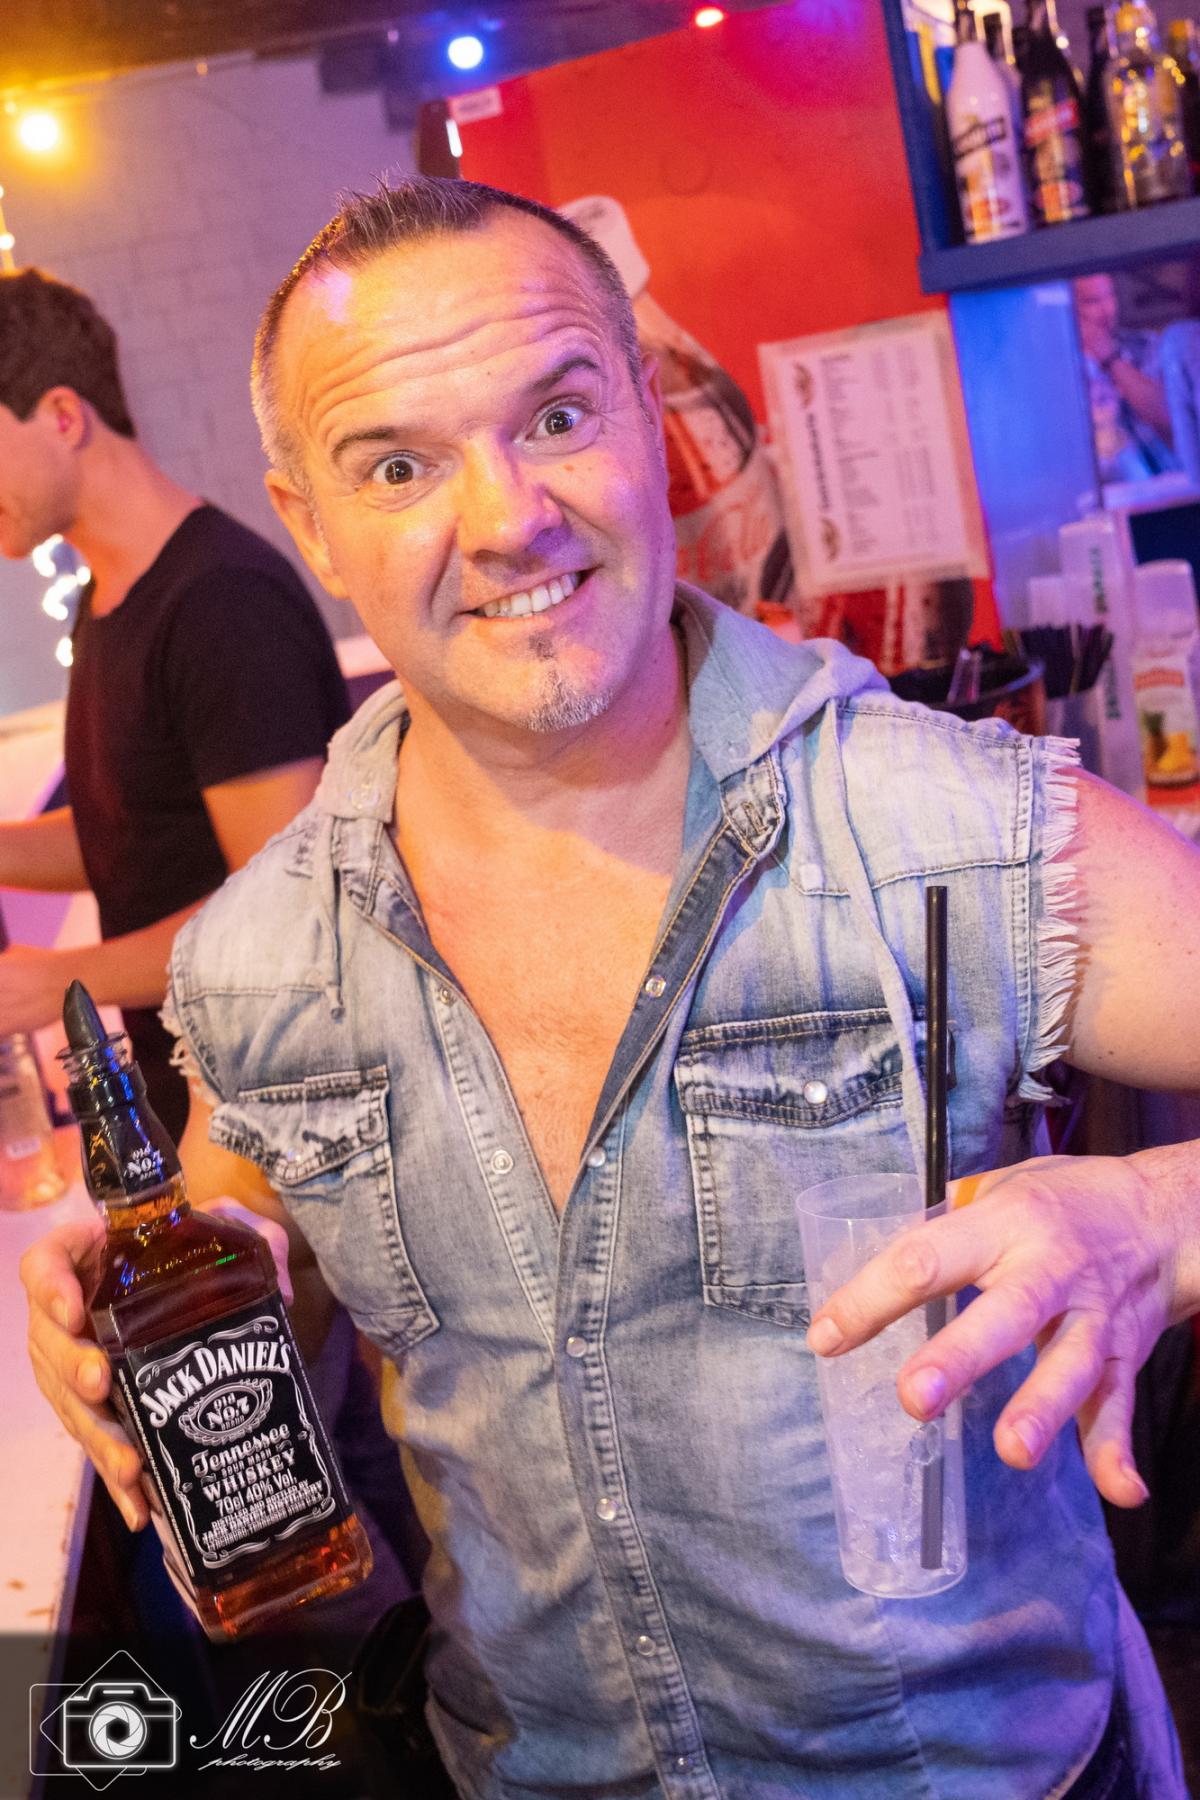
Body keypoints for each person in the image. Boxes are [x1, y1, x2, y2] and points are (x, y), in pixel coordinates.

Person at [22, 177, 1200, 1798]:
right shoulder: (265, 954)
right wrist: (122, 1315)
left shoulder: (935, 824)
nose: (508, 517)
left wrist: (1158, 1216)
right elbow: (250, 1264)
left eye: (558, 416)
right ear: (310, 524)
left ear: (647, 421)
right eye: (398, 466)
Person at [0, 268, 350, 1137]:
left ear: (64, 416)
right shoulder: (108, 599)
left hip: (283, 1119)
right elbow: (134, 834)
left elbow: (288, 912)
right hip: (191, 1103)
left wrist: (58, 981)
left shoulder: (220, 602)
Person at [1074, 271, 1179, 486]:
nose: (1107, 310)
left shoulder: (1145, 346)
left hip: (1158, 486)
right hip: (1090, 492)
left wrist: (1111, 360)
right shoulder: (1053, 365)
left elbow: (1169, 419)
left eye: (1110, 296)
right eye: (1092, 301)